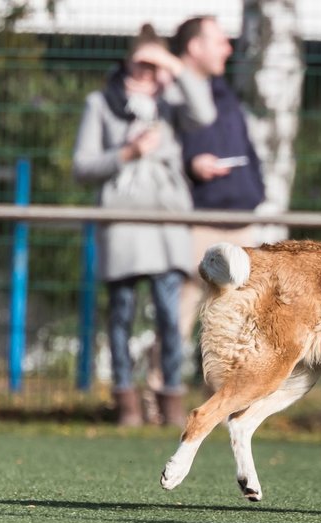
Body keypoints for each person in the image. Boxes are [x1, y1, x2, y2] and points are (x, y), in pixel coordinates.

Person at [73, 24, 215, 428]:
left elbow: (205, 112)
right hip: (121, 222)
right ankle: (126, 403)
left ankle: (170, 400)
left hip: (167, 221)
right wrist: (128, 153)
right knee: (121, 313)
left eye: (157, 63)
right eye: (145, 61)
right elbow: (82, 167)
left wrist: (173, 65)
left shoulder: (172, 101)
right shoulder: (101, 103)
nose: (150, 72)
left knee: (170, 316)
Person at [171, 15, 265, 386]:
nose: (228, 47)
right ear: (194, 47)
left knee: (239, 318)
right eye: (219, 40)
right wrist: (190, 165)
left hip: (239, 216)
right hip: (198, 219)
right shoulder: (171, 89)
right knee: (182, 308)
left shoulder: (225, 91)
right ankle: (160, 391)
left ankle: (228, 397)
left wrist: (254, 190)